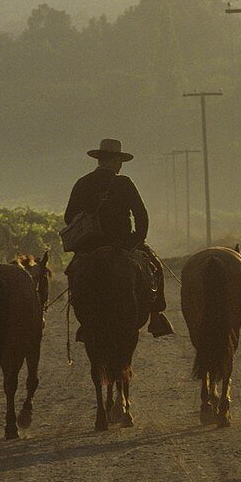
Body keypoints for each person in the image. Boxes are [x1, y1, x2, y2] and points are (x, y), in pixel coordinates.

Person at [64, 138, 174, 337]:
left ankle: (84, 321)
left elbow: (68, 217)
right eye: (119, 161)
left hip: (89, 248)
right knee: (155, 267)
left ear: (99, 160)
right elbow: (141, 214)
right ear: (115, 161)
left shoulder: (82, 183)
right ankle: (156, 314)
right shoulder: (124, 183)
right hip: (122, 245)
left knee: (73, 274)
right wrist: (136, 240)